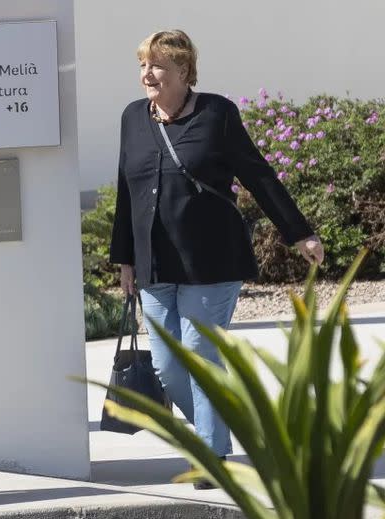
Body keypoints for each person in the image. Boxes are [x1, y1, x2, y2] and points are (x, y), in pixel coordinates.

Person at [110, 29, 324, 489]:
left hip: (212, 262)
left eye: (158, 65)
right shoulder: (132, 117)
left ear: (184, 71)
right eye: (143, 65)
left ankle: (211, 453)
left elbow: (258, 174)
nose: (147, 74)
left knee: (201, 353)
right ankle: (224, 427)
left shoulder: (217, 114)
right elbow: (127, 193)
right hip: (154, 265)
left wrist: (299, 232)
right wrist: (124, 259)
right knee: (169, 365)